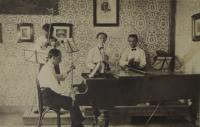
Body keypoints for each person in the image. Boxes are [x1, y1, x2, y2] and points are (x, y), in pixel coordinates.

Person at [37, 48, 85, 127]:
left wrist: (68, 70)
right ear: (53, 57)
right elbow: (56, 87)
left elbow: (58, 78)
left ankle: (77, 125)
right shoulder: (48, 69)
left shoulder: (49, 66)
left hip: (50, 95)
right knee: (72, 102)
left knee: (72, 101)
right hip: (49, 98)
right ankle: (78, 125)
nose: (60, 60)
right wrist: (70, 91)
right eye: (59, 58)